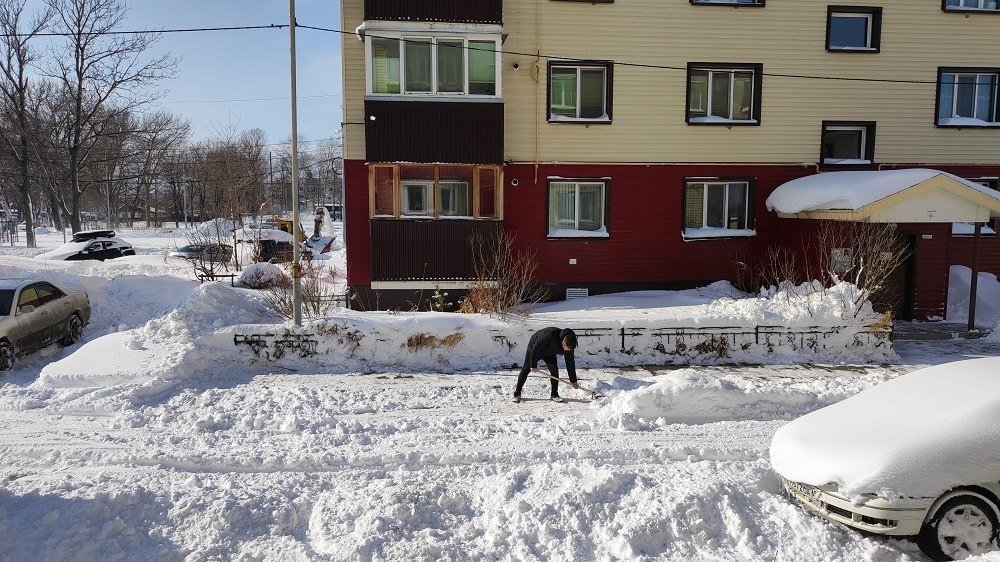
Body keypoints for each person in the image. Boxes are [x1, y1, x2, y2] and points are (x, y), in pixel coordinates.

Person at [513, 327, 579, 403]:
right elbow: (535, 347)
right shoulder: (549, 335)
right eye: (565, 348)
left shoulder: (570, 344)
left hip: (550, 353)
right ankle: (517, 393)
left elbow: (570, 362)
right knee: (526, 369)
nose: (566, 351)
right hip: (535, 349)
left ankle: (554, 394)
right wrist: (533, 365)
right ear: (563, 342)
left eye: (568, 350)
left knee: (554, 372)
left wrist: (573, 380)